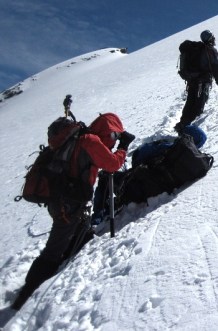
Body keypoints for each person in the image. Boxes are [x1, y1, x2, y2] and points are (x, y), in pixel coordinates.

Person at [11, 113, 135, 311]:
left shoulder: (81, 138)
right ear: (106, 130)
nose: (113, 140)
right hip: (68, 204)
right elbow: (112, 164)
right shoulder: (90, 141)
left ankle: (69, 259)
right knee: (54, 249)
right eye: (113, 135)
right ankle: (26, 296)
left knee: (82, 232)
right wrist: (123, 147)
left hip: (65, 201)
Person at [175, 30, 218, 133]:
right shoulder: (211, 50)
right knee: (198, 105)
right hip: (203, 82)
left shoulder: (196, 49)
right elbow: (215, 68)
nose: (214, 39)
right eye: (213, 38)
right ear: (210, 39)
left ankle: (182, 125)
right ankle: (189, 129)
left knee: (190, 102)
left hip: (192, 81)